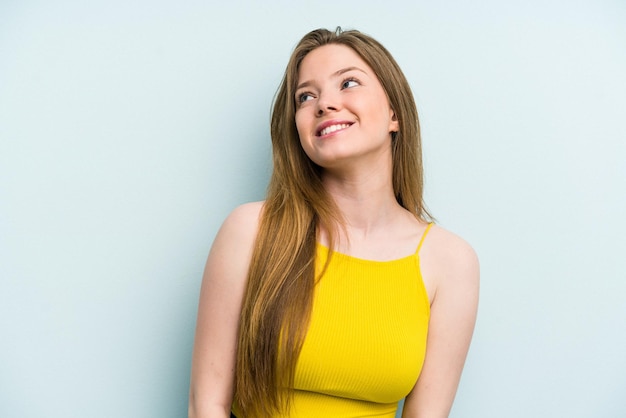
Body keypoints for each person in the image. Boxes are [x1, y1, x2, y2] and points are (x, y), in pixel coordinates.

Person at [188, 27, 479, 418]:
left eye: (348, 83)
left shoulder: (451, 262)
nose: (325, 104)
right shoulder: (250, 231)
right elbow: (206, 404)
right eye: (306, 96)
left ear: (394, 113)